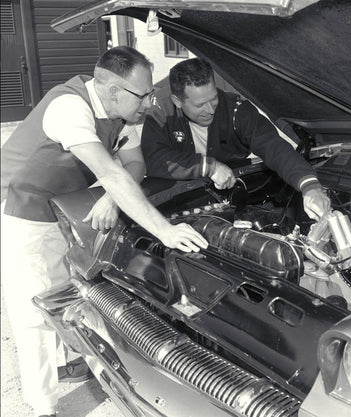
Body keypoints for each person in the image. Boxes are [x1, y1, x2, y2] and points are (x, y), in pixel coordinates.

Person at [0, 46, 208, 417]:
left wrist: (114, 200)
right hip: (19, 209)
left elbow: (134, 164)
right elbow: (110, 171)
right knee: (34, 307)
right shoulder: (69, 108)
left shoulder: (128, 112)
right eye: (142, 95)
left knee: (72, 288)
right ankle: (43, 405)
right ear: (113, 90)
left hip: (61, 207)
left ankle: (69, 359)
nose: (149, 102)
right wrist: (164, 230)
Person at [141, 58, 330, 221]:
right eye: (200, 104)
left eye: (213, 99)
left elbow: (273, 146)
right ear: (177, 101)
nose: (210, 109)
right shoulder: (160, 112)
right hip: (176, 201)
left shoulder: (237, 111)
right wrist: (208, 166)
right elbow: (153, 158)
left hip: (234, 197)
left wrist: (309, 186)